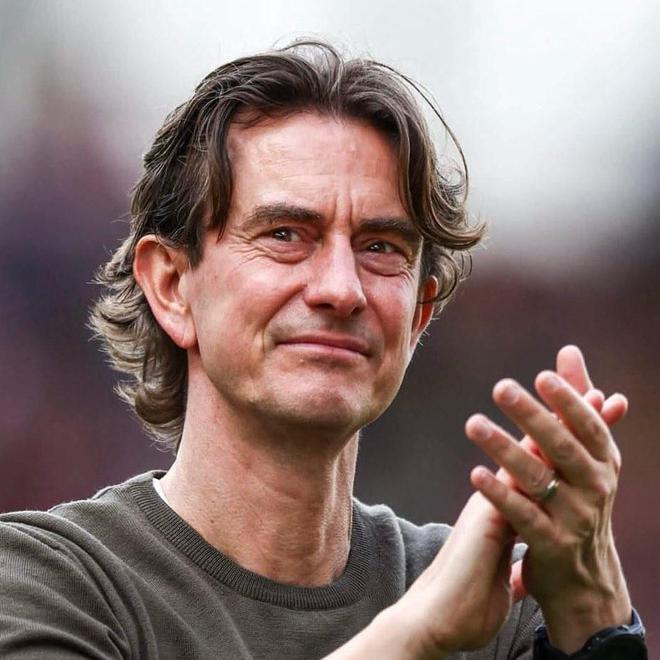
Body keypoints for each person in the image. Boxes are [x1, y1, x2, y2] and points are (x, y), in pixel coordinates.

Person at [0, 40, 646, 659]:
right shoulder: (49, 585)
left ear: (418, 314)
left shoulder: (502, 602)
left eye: (381, 248)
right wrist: (416, 638)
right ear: (172, 287)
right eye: (285, 234)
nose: (341, 289)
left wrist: (594, 612)